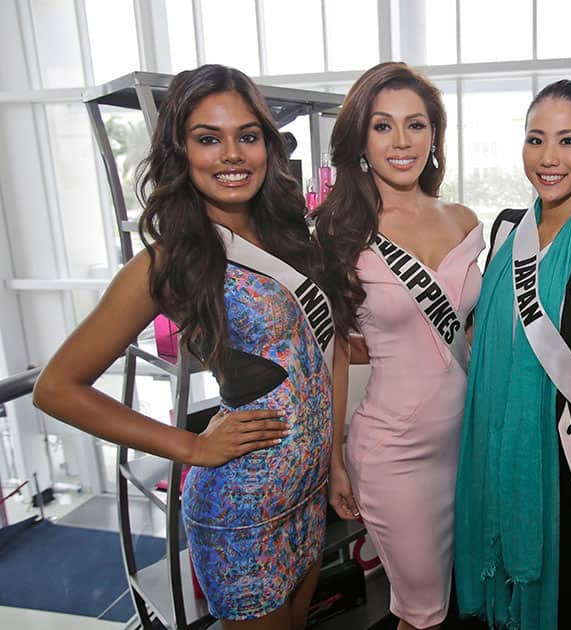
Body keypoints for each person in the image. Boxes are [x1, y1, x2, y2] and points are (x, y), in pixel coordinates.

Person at [33, 64, 338, 630]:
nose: (231, 155)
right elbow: (57, 388)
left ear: (267, 147)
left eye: (247, 136)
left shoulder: (285, 234)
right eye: (208, 138)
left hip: (307, 493)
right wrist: (191, 447)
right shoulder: (171, 259)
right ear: (180, 149)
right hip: (242, 509)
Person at [454, 79, 571, 630]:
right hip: (487, 461)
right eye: (535, 140)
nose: (548, 158)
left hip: (567, 475)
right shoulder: (506, 227)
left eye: (567, 141)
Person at [313, 61, 482, 630]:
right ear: (361, 137)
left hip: (469, 444)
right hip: (394, 454)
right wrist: (333, 460)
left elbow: (470, 331)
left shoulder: (464, 221)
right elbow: (335, 353)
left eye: (416, 125)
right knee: (421, 613)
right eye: (383, 126)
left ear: (434, 134)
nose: (402, 141)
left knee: (462, 604)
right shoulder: (342, 232)